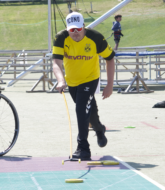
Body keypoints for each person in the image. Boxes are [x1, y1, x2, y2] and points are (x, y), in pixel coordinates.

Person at [52, 12, 115, 160]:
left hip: (90, 79)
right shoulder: (61, 38)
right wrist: (61, 81)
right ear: (67, 29)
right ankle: (99, 129)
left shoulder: (96, 38)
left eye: (78, 29)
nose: (75, 33)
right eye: (72, 29)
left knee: (81, 109)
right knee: (88, 110)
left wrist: (109, 85)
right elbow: (56, 63)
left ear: (83, 27)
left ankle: (83, 148)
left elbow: (110, 59)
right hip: (72, 81)